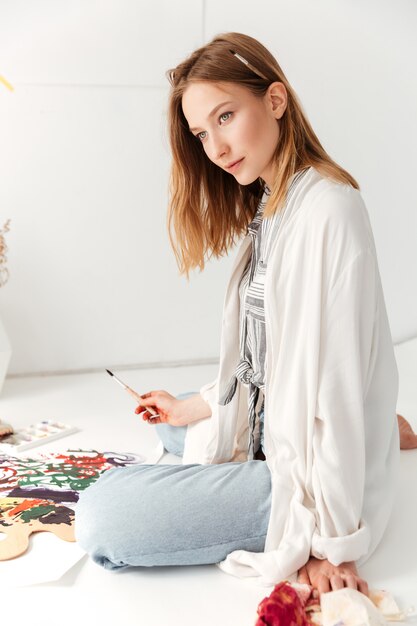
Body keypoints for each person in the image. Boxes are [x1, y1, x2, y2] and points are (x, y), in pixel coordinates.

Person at [75, 32, 416, 599]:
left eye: (226, 116)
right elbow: (262, 357)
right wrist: (193, 406)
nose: (214, 146)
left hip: (296, 473)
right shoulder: (273, 203)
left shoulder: (328, 209)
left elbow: (331, 383)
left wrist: (329, 542)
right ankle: (381, 429)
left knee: (102, 517)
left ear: (276, 101)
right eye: (202, 133)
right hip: (274, 421)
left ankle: (370, 439)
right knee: (173, 423)